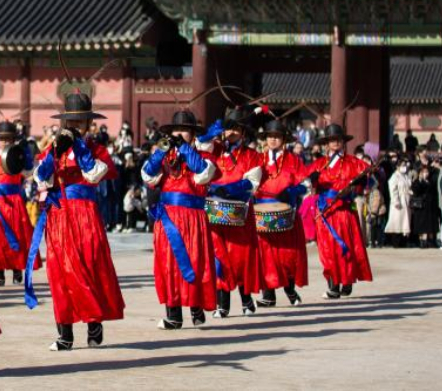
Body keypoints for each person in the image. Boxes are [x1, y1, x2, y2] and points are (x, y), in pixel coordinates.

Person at [26, 92, 124, 351]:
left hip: (85, 213)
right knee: (60, 273)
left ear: (88, 124)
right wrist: (53, 153)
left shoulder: (96, 149)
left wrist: (79, 147)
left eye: (80, 122)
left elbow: (94, 175)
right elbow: (42, 179)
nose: (75, 127)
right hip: (58, 214)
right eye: (71, 122)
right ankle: (64, 333)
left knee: (88, 267)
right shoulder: (54, 149)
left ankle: (94, 321)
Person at [142, 109, 218, 330]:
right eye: (177, 129)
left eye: (184, 130)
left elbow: (202, 172)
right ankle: (173, 314)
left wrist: (184, 149)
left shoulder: (204, 157)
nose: (179, 134)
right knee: (168, 265)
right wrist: (160, 153)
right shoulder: (165, 156)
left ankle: (196, 306)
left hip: (193, 218)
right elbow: (148, 175)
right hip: (167, 218)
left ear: (193, 135)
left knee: (194, 262)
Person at [206, 107, 264, 317]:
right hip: (215, 212)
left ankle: (247, 300)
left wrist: (228, 189)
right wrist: (216, 129)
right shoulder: (214, 150)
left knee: (241, 258)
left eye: (234, 129)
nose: (230, 134)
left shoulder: (252, 156)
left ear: (243, 133)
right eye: (227, 130)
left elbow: (252, 182)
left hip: (239, 212)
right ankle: (222, 304)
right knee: (219, 256)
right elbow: (200, 145)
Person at [307, 124, 373, 299]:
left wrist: (359, 185)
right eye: (331, 140)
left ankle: (348, 280)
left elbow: (367, 183)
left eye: (338, 139)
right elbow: (309, 187)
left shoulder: (354, 162)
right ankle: (333, 284)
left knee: (347, 247)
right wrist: (312, 182)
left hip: (344, 212)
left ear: (343, 142)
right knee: (328, 250)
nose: (335, 142)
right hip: (326, 213)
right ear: (326, 143)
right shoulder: (319, 164)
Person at [0, 121, 36, 288]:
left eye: (8, 138)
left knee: (17, 237)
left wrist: (25, 153)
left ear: (13, 139)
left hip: (14, 201)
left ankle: (17, 271)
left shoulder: (19, 154)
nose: (4, 142)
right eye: (1, 139)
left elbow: (29, 171)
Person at [254, 119, 307, 307]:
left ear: (284, 139)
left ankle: (290, 290)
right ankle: (268, 295)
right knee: (265, 254)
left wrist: (291, 192)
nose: (273, 140)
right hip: (262, 213)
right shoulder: (258, 160)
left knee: (287, 255)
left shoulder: (294, 160)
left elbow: (304, 185)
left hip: (286, 213)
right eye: (270, 136)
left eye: (277, 136)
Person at [409, 165, 440, 248]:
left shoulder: (430, 181)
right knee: (422, 224)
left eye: (427, 172)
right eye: (423, 172)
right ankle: (422, 240)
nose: (426, 174)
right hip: (421, 206)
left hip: (431, 206)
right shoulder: (417, 182)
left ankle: (431, 240)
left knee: (431, 224)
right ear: (420, 173)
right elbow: (416, 191)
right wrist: (420, 180)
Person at [384, 159, 412, 246]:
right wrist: (395, 201)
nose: (405, 167)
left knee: (405, 222)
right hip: (399, 201)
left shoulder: (406, 176)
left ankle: (404, 241)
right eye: (402, 165)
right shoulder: (394, 176)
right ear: (397, 166)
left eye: (405, 165)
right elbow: (393, 190)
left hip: (406, 201)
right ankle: (395, 241)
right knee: (397, 221)